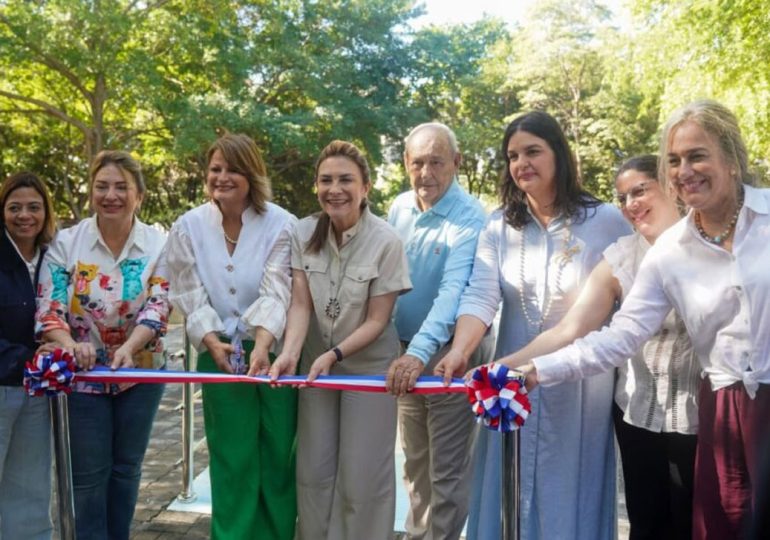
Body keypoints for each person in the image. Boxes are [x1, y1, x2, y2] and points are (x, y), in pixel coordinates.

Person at [521, 99, 770, 539]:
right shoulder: (670, 252)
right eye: (673, 161)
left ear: (731, 159)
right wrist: (537, 370)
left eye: (697, 155)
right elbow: (620, 336)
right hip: (725, 411)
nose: (684, 170)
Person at [437, 111, 631, 540]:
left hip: (579, 383)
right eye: (512, 155)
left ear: (558, 154)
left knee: (570, 485)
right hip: (505, 380)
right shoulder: (498, 225)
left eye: (532, 151)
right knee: (506, 479)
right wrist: (460, 351)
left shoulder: (606, 222)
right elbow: (480, 296)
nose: (521, 162)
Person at [488, 155, 700, 539]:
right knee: (647, 523)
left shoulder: (707, 244)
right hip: (637, 415)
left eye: (640, 190)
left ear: (669, 187)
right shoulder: (621, 256)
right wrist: (505, 365)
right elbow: (572, 327)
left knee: (697, 523)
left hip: (700, 414)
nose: (630, 203)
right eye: (622, 197)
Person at [268, 140, 411, 540]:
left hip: (366, 370)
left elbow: (378, 320)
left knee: (362, 480)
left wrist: (334, 354)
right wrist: (291, 355)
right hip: (316, 366)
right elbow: (300, 304)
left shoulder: (386, 241)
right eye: (326, 180)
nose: (336, 189)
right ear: (316, 186)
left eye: (346, 179)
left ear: (366, 186)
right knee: (312, 473)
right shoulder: (301, 231)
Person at [167, 133, 297, 540]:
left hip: (274, 352)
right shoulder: (188, 226)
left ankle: (276, 533)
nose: (222, 177)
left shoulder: (282, 223)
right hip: (217, 351)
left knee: (278, 453)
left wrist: (261, 344)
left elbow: (278, 288)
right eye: (215, 169)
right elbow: (188, 290)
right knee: (232, 455)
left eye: (233, 169)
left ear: (252, 174)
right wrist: (209, 339)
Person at [36, 151, 170, 540]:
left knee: (127, 468)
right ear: (91, 192)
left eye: (121, 187)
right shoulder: (67, 243)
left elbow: (160, 304)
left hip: (139, 373)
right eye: (102, 186)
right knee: (88, 477)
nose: (111, 195)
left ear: (139, 195)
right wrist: (67, 343)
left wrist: (131, 346)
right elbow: (50, 306)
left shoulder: (158, 244)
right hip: (81, 377)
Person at [385, 122, 494, 540]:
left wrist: (419, 353)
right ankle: (417, 535)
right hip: (403, 353)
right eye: (417, 163)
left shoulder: (470, 218)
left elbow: (454, 292)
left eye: (436, 161)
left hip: (449, 354)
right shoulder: (398, 209)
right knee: (414, 465)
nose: (425, 172)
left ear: (457, 162)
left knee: (447, 470)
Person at [0, 172, 56, 540]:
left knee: (31, 486)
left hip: (36, 390)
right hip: (4, 383)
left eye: (34, 207)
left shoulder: (53, 256)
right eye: (14, 207)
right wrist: (26, 359)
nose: (25, 216)